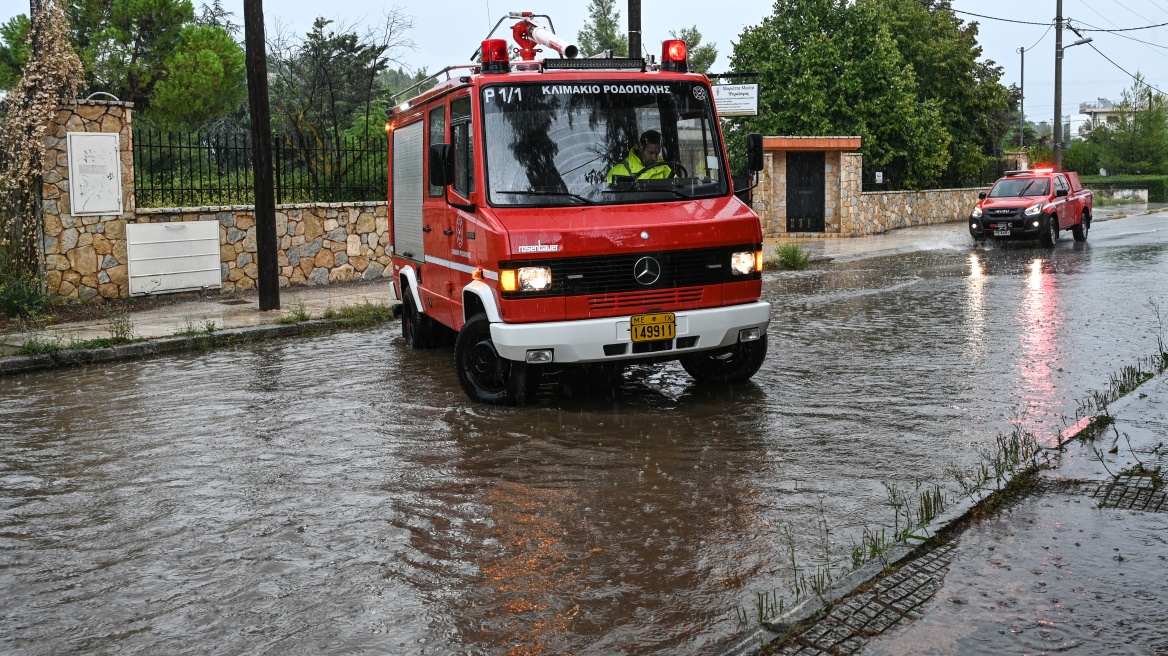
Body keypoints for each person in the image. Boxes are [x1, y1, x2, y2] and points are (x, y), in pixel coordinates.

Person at [606, 130, 672, 182]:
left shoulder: (665, 168)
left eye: (657, 153)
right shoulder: (617, 172)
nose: (654, 158)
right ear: (640, 147)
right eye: (650, 153)